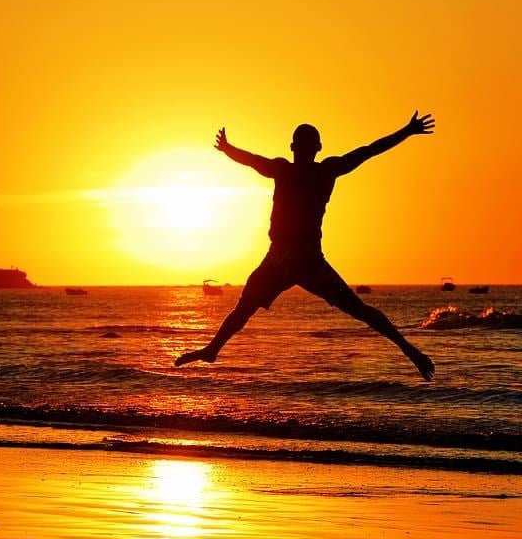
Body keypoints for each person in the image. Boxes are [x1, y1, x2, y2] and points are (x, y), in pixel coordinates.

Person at [175, 111, 436, 380]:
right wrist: (407, 131)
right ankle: (409, 351)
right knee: (359, 311)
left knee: (244, 310)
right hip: (301, 260)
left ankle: (212, 350)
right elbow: (369, 150)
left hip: (287, 259)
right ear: (317, 148)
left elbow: (252, 161)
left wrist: (228, 148)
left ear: (293, 148)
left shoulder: (286, 169)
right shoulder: (323, 170)